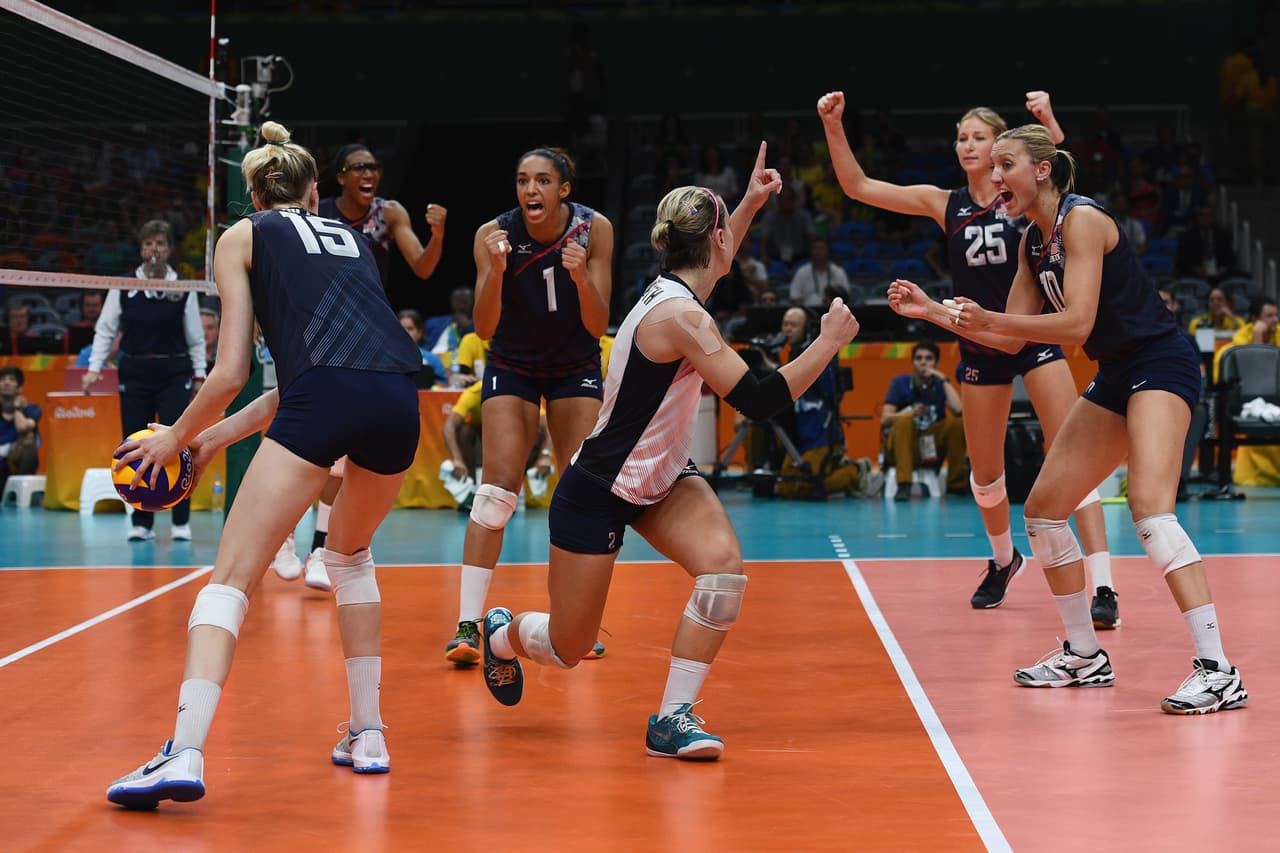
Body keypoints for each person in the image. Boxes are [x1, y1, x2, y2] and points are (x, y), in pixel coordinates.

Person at [477, 158, 860, 762]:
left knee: (724, 571)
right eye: (729, 229)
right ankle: (501, 633)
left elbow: (716, 242)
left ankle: (672, 719)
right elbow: (758, 402)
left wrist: (752, 203)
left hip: (660, 479)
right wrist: (828, 343)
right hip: (598, 488)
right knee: (568, 646)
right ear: (716, 242)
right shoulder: (681, 316)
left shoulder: (683, 293)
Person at [105, 121, 423, 809]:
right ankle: (368, 732)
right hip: (400, 397)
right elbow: (313, 378)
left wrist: (172, 438)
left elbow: (231, 370)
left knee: (230, 580)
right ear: (314, 190)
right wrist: (210, 440)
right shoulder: (351, 239)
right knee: (351, 557)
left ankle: (183, 751)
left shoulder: (243, 234)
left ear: (250, 191)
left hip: (325, 399)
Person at [904, 123, 1246, 713]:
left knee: (1150, 510)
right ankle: (1084, 655)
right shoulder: (1030, 244)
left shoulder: (1083, 220)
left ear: (1040, 170)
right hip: (1116, 372)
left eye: (1005, 164)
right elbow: (1008, 339)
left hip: (1161, 364)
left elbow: (1076, 326)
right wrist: (936, 312)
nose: (993, 175)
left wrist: (990, 318)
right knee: (1042, 511)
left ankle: (1219, 671)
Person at [819, 89, 1119, 618]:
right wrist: (835, 125)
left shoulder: (1022, 198)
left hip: (1032, 333)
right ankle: (1004, 560)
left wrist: (1049, 122)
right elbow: (858, 186)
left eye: (979, 137)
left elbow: (1055, 169)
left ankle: (1103, 585)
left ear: (1001, 147)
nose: (968, 145)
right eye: (961, 137)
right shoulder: (945, 203)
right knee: (985, 473)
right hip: (979, 340)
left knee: (1073, 452)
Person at [442, 146, 615, 667]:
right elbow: (485, 328)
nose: (530, 190)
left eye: (542, 181)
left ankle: (573, 623)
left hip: (575, 365)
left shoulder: (595, 230)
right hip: (513, 363)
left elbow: (596, 322)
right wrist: (496, 271)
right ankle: (467, 626)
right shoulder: (492, 235)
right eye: (522, 181)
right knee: (495, 493)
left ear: (565, 189)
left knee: (581, 493)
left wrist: (581, 275)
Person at [82, 220, 207, 542]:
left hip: (173, 373)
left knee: (179, 443)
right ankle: (142, 520)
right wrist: (95, 367)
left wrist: (199, 376)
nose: (154, 251)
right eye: (149, 244)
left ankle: (181, 520)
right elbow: (106, 329)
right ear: (141, 249)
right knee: (134, 446)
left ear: (169, 250)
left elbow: (195, 337)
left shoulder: (182, 286)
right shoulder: (122, 285)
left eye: (161, 245)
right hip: (135, 373)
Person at [766, 307, 879, 499]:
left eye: (793, 325)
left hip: (819, 434)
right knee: (785, 487)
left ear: (808, 329)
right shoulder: (787, 356)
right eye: (785, 324)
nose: (787, 329)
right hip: (796, 436)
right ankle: (844, 469)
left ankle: (855, 471)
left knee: (806, 486)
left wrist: (774, 369)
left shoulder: (821, 355)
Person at [319, 144, 447, 285]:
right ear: (341, 178)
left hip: (371, 304)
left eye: (374, 168)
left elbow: (422, 269)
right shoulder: (318, 213)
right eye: (359, 168)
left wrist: (437, 236)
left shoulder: (389, 212)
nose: (368, 175)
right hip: (328, 303)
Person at [879, 340, 967, 499]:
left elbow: (959, 410)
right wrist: (909, 413)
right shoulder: (900, 383)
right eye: (919, 358)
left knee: (956, 423)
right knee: (904, 421)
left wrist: (942, 378)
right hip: (904, 448)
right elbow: (885, 419)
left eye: (929, 358)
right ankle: (904, 484)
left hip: (931, 449)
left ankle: (956, 486)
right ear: (912, 362)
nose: (923, 362)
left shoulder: (939, 385)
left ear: (936, 363)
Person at [0, 365, 40, 496]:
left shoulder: (32, 409)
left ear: (20, 388)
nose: (6, 382)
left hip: (15, 463)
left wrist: (17, 408)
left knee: (29, 444)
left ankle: (19, 493)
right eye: (3, 379)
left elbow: (22, 427)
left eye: (11, 379)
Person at [788, 236, 851, 309]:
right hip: (809, 313)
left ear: (828, 251)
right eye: (815, 248)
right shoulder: (801, 272)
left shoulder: (838, 272)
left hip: (834, 312)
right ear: (810, 251)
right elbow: (794, 298)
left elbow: (845, 298)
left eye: (821, 248)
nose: (818, 252)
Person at [396, 308, 448, 386]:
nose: (405, 333)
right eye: (401, 329)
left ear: (419, 333)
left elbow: (443, 385)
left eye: (410, 329)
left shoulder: (432, 359)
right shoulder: (386, 357)